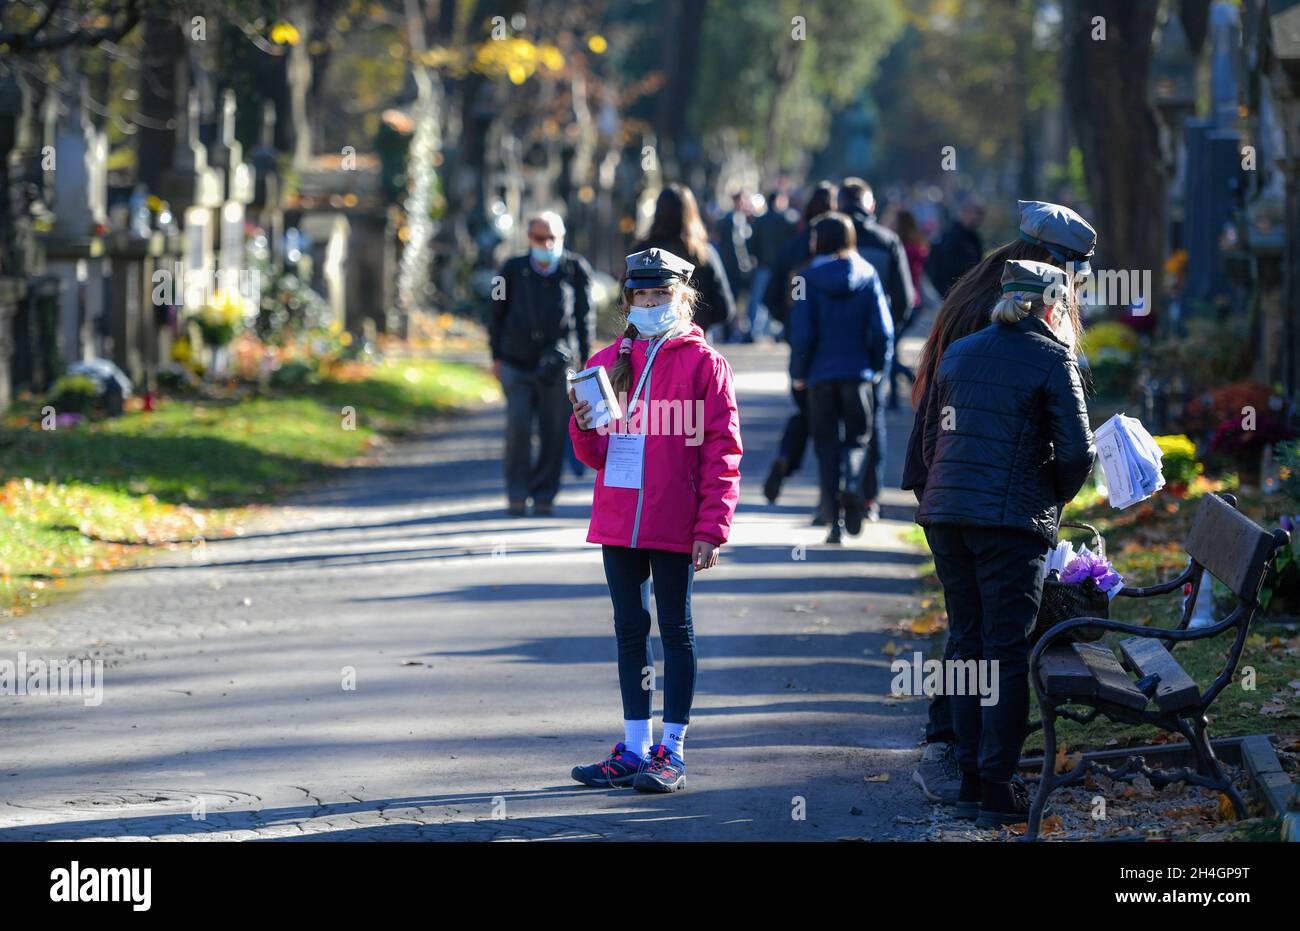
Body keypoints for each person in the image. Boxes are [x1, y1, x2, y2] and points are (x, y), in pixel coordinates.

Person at [906, 198, 1097, 805]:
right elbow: (1071, 448)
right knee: (998, 642)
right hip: (994, 498)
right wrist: (1046, 497)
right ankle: (980, 771)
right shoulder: (1032, 336)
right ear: (1054, 270)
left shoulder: (984, 292)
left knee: (969, 635)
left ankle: (967, 762)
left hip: (950, 490)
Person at [567, 246, 743, 793]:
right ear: (629, 302)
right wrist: (580, 424)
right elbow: (594, 455)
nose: (651, 303)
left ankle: (673, 751)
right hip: (619, 520)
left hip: (675, 520)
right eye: (642, 295)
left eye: (662, 294)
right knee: (628, 630)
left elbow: (723, 451)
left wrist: (712, 527)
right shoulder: (605, 362)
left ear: (684, 298)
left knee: (675, 629)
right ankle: (634, 746)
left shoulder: (705, 364)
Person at [788, 212, 893, 544]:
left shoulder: (807, 279)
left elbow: (801, 332)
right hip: (859, 374)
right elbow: (883, 330)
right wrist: (878, 368)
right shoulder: (868, 275)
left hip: (820, 376)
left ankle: (833, 520)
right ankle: (853, 486)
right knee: (858, 439)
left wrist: (799, 373)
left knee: (826, 445)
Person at [489, 211, 594, 516]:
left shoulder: (576, 269)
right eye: (539, 238)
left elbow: (584, 317)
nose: (546, 244)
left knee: (554, 430)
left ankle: (545, 494)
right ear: (529, 239)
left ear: (562, 238)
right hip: (516, 362)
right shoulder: (510, 269)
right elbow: (495, 314)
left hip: (559, 364)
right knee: (518, 426)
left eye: (553, 238)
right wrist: (496, 356)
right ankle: (517, 493)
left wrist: (585, 359)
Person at [837, 179, 915, 524]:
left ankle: (834, 494)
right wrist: (891, 332)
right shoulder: (888, 241)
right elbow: (905, 298)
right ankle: (869, 497)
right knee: (872, 421)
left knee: (833, 425)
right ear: (871, 207)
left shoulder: (827, 240)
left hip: (833, 350)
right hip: (874, 351)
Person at [761, 181, 836, 512]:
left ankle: (785, 458)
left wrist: (791, 325)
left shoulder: (793, 249)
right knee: (832, 424)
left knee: (806, 411)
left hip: (803, 348)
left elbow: (771, 297)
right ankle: (830, 496)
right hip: (838, 347)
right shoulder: (844, 251)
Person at [635, 184, 736, 334]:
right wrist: (698, 320)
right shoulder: (704, 254)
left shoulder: (642, 254)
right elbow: (725, 310)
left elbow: (624, 300)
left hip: (646, 344)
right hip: (693, 342)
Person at [888, 208, 929, 410]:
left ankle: (914, 381)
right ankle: (894, 398)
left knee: (889, 350)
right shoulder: (916, 247)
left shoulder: (901, 248)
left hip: (905, 302)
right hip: (915, 302)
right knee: (891, 349)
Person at [746, 189, 798, 342]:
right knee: (781, 297)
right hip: (781, 267)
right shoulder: (787, 220)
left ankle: (755, 331)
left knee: (758, 299)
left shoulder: (760, 221)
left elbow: (751, 243)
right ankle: (777, 330)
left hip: (764, 265)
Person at [714, 191, 756, 342]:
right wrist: (743, 264)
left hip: (737, 268)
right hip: (733, 268)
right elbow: (735, 248)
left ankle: (733, 331)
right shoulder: (731, 219)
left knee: (738, 301)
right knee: (733, 299)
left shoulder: (740, 219)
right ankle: (729, 332)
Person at [926, 194, 986, 298]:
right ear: (965, 211)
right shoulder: (949, 236)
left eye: (982, 213)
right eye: (977, 212)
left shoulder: (975, 238)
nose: (979, 217)